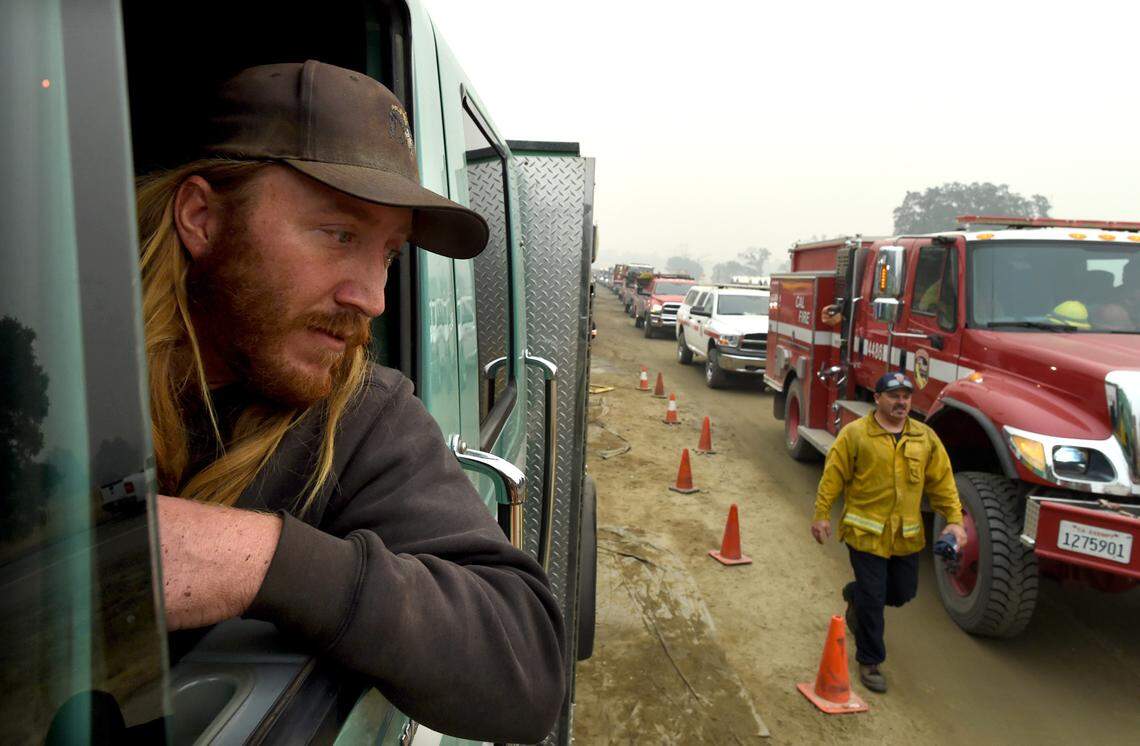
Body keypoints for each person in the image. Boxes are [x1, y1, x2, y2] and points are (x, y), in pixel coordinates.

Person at [138, 61, 563, 742]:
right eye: (339, 234)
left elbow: (527, 666)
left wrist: (261, 560)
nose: (372, 297)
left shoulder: (361, 416)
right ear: (201, 217)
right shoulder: (56, 376)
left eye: (388, 254)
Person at [810, 372, 966, 694]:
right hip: (865, 534)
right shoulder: (855, 435)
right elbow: (833, 475)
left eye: (906, 396)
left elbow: (942, 482)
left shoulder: (925, 438)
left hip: (904, 536)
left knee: (901, 592)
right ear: (877, 398)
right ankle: (870, 660)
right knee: (874, 597)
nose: (901, 402)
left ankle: (855, 595)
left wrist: (954, 520)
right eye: (893, 396)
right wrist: (822, 513)